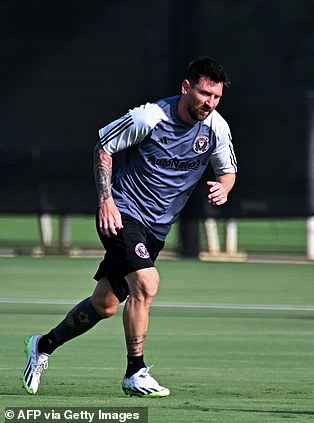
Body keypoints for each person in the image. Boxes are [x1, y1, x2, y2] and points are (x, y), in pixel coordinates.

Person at [22, 57, 237, 397]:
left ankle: (43, 345)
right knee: (148, 284)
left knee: (105, 304)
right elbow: (104, 146)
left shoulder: (216, 128)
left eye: (216, 97)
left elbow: (228, 170)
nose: (209, 103)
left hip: (156, 230)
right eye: (204, 93)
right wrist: (106, 200)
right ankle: (135, 371)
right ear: (186, 88)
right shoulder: (149, 117)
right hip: (122, 214)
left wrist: (223, 187)